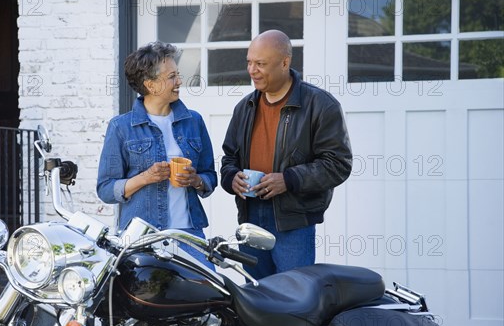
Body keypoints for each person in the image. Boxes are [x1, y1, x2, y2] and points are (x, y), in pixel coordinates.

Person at [220, 30, 352, 279]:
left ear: (285, 63)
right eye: (249, 62)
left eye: (260, 64)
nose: (252, 70)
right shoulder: (244, 107)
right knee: (256, 296)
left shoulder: (321, 105)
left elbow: (338, 164)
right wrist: (231, 178)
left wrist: (289, 180)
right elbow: (229, 158)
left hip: (293, 221)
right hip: (250, 215)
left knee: (293, 298)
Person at [97, 41, 217, 271]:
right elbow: (105, 188)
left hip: (189, 235)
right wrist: (145, 178)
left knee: (208, 294)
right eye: (172, 76)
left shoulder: (194, 121)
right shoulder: (121, 127)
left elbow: (210, 176)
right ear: (150, 85)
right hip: (141, 238)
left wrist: (196, 180)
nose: (179, 82)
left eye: (178, 75)